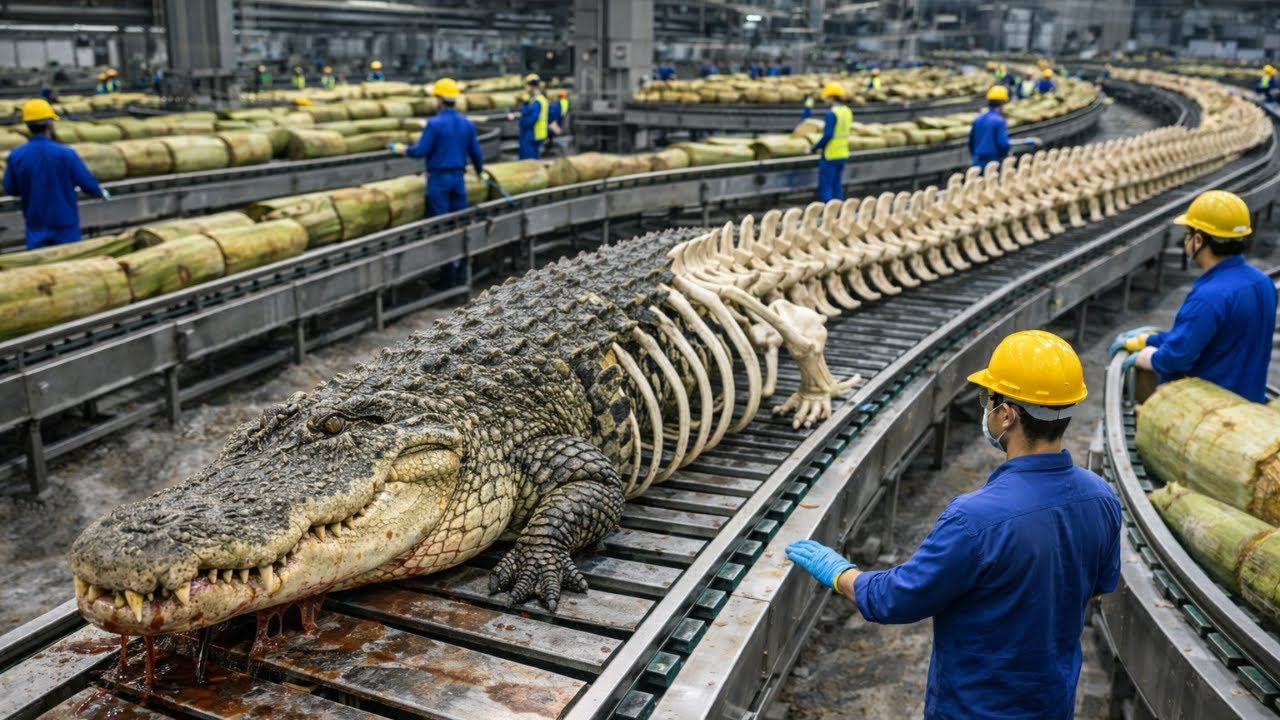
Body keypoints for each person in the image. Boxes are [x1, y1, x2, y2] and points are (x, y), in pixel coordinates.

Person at [787, 329, 1122, 720]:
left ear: (1007, 414)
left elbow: (895, 599)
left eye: (989, 400)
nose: (987, 410)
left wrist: (839, 573)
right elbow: (1098, 588)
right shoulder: (1101, 497)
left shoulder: (975, 519)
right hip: (1051, 705)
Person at [1111, 190, 1276, 403]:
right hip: (1248, 403)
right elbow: (1213, 338)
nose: (1185, 241)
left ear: (1198, 240)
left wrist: (1146, 357)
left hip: (1208, 413)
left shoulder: (1209, 297)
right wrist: (1150, 339)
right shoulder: (1262, 283)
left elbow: (1175, 359)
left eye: (1187, 234)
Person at [387, 77, 482, 284]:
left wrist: (402, 149)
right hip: (458, 181)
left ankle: (447, 280)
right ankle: (461, 277)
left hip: (439, 181)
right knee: (460, 225)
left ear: (439, 99)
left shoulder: (435, 124)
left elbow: (420, 150)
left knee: (442, 228)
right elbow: (476, 152)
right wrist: (480, 172)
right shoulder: (466, 123)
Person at [3, 99, 111, 250]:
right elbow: (86, 182)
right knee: (68, 265)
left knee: (40, 269)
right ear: (49, 125)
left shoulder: (16, 156)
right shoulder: (66, 154)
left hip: (36, 225)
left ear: (28, 126)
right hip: (65, 225)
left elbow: (10, 189)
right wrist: (101, 193)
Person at [969, 85, 1038, 170]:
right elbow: (1003, 144)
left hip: (977, 160)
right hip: (993, 161)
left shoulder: (978, 118)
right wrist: (1006, 154)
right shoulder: (999, 121)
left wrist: (975, 156)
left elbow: (971, 141)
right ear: (1002, 103)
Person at [809, 82, 852, 202]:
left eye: (826, 98)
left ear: (832, 97)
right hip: (842, 154)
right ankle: (838, 214)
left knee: (826, 187)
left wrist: (813, 148)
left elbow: (828, 135)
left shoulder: (831, 114)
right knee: (837, 187)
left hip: (830, 156)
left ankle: (828, 215)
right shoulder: (847, 111)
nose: (825, 101)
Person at [509, 73, 548, 160]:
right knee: (533, 159)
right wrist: (518, 115)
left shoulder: (537, 101)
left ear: (532, 86)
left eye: (527, 86)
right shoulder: (536, 99)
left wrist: (521, 121)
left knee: (528, 160)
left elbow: (532, 118)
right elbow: (529, 112)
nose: (525, 88)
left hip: (531, 133)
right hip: (535, 133)